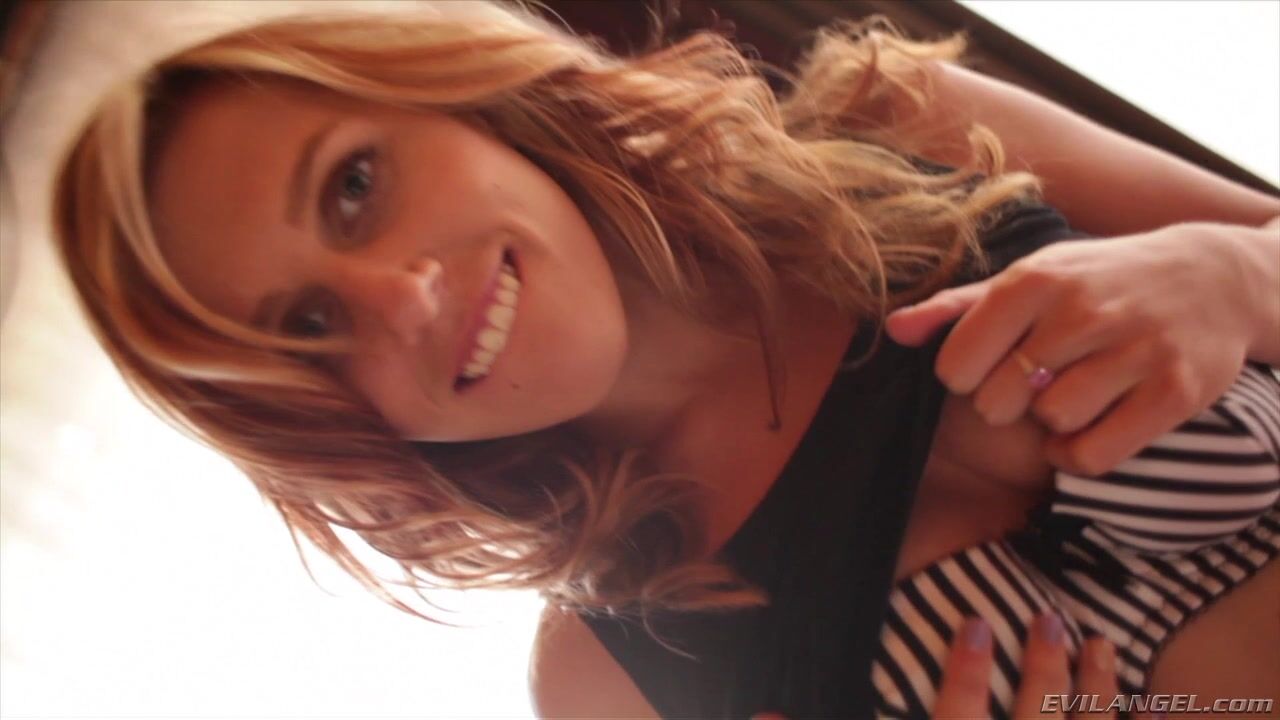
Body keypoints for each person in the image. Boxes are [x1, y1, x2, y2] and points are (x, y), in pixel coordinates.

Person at [47, 0, 1279, 717]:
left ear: (451, 96)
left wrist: (1239, 274)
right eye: (309, 329)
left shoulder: (899, 128)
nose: (403, 297)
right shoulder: (610, 684)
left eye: (356, 184)